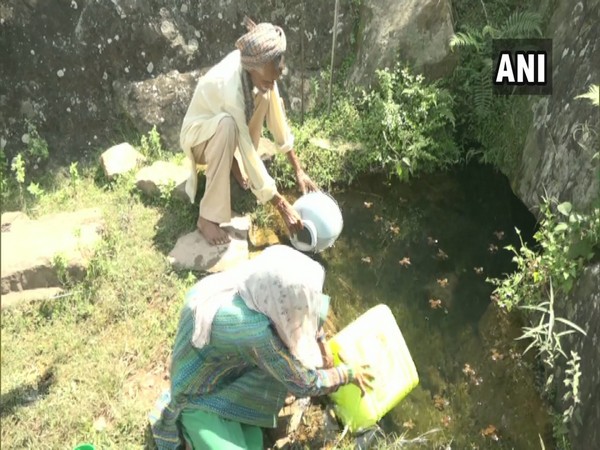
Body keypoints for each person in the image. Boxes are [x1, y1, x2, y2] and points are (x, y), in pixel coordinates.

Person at [150, 245, 374, 449]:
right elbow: (303, 382)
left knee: (255, 440)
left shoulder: (256, 282)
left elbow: (312, 306)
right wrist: (347, 373)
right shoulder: (255, 333)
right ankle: (188, 427)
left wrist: (322, 342)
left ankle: (224, 417)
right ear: (283, 304)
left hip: (224, 367)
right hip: (198, 390)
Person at [181, 17, 318, 246]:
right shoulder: (230, 87)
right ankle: (206, 218)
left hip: (222, 129)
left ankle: (235, 164)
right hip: (199, 138)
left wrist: (298, 170)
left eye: (275, 79)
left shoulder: (260, 70)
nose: (271, 84)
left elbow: (278, 121)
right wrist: (282, 205)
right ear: (252, 69)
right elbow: (245, 145)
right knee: (227, 125)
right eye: (267, 79)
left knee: (264, 97)